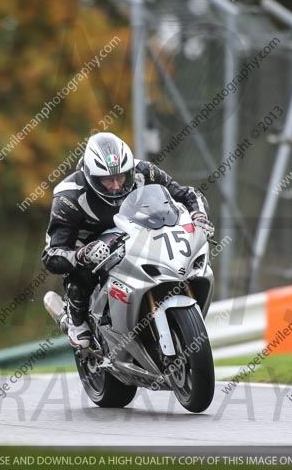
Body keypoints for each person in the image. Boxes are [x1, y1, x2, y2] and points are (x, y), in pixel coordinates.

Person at [41, 132, 214, 348]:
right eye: (107, 180)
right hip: (89, 242)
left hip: (134, 231)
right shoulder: (68, 196)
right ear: (91, 176)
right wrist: (82, 254)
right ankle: (77, 321)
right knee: (81, 276)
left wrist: (199, 216)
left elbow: (187, 194)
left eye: (121, 177)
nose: (115, 185)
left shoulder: (145, 171)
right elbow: (52, 254)